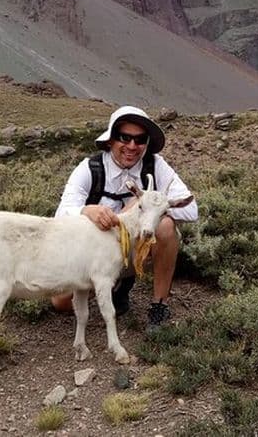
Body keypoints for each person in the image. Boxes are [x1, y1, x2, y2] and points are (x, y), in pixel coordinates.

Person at [52, 105, 198, 331]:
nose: (132, 146)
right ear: (111, 140)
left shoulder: (156, 165)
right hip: (95, 253)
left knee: (166, 226)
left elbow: (191, 209)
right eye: (125, 137)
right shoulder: (91, 168)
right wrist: (87, 211)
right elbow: (63, 212)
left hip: (137, 249)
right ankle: (115, 287)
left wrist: (147, 208)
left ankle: (159, 306)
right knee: (61, 302)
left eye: (140, 140)